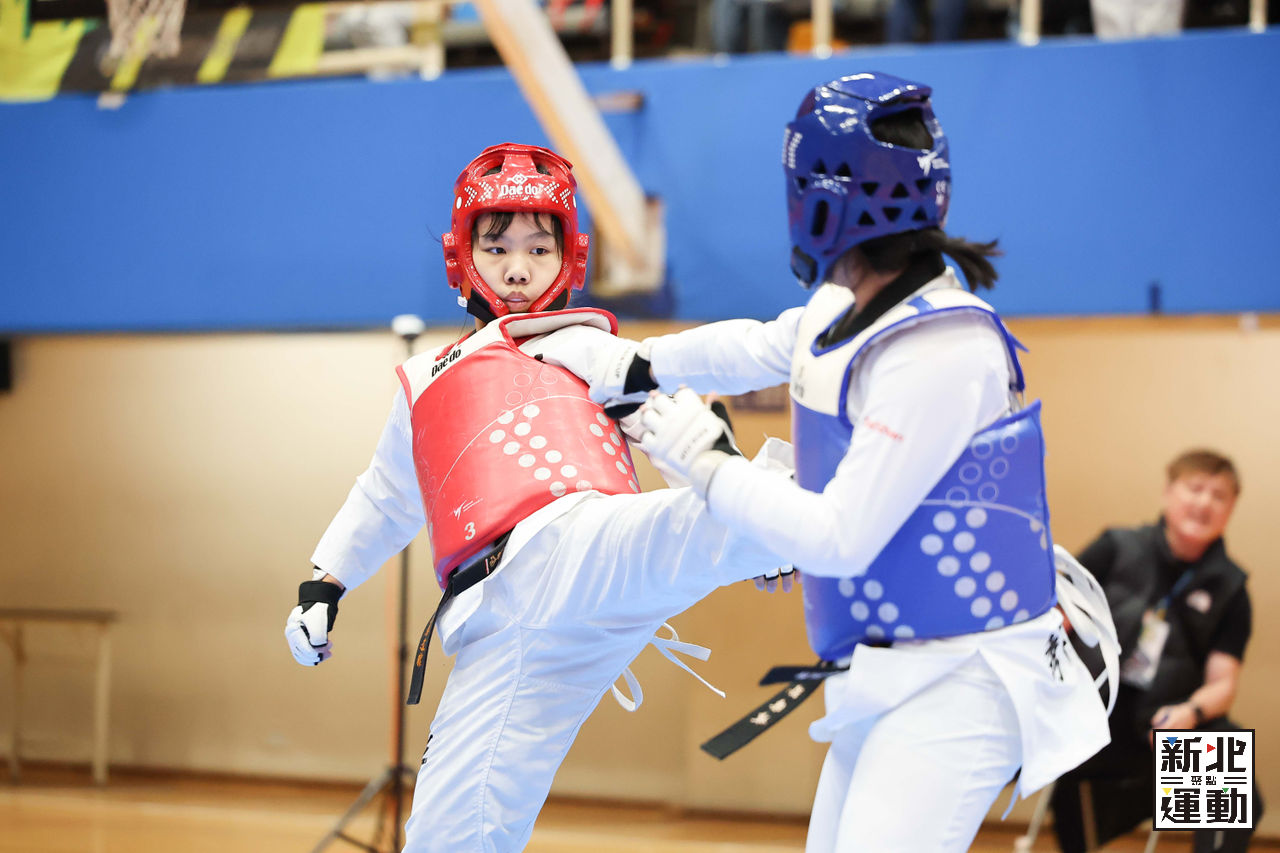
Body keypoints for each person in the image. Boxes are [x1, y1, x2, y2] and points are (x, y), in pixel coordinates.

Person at [555, 72, 1117, 852]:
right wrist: (641, 364)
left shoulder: (941, 349)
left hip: (968, 672)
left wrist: (707, 459)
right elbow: (756, 347)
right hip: (885, 658)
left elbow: (839, 537)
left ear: (820, 197)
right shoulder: (844, 307)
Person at [282, 143, 786, 852]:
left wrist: (752, 512)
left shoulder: (584, 347)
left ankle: (792, 511)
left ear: (569, 258)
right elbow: (387, 495)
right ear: (462, 256)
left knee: (679, 524)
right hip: (496, 618)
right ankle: (769, 517)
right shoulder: (425, 379)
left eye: (537, 249)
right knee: (447, 834)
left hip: (577, 547)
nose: (517, 269)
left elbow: (667, 424)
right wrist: (323, 584)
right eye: (497, 248)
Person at [1051, 449, 1263, 853]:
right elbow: (1055, 618)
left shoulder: (1231, 588)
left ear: (1231, 508)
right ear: (1168, 491)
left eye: (1219, 495)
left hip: (1161, 728)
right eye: (1195, 488)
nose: (1204, 502)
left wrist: (1189, 713)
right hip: (1086, 717)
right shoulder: (1116, 546)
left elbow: (1223, 683)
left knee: (1229, 770)